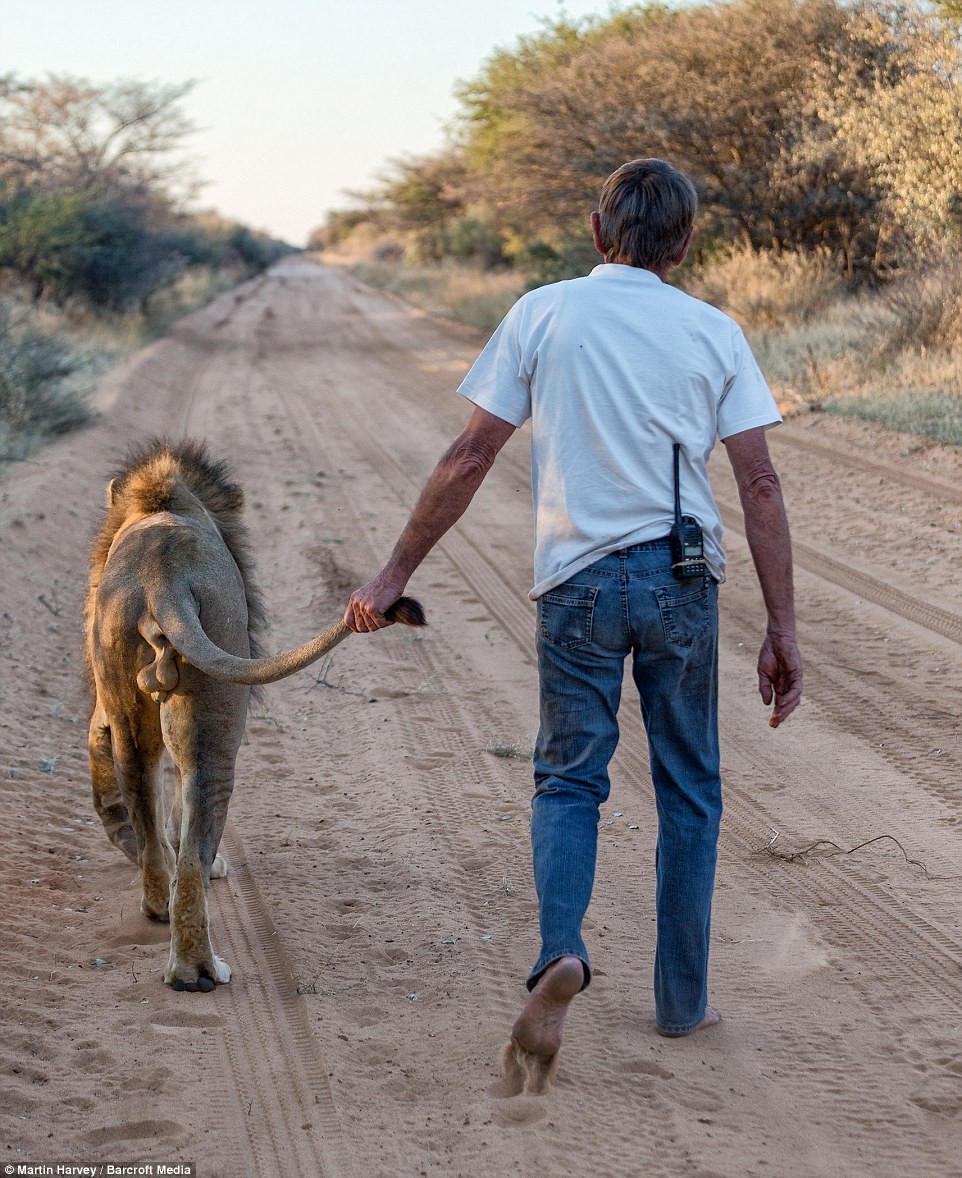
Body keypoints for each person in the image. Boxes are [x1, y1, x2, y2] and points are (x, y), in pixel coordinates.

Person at [344, 158, 802, 1091]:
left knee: (567, 782)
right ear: (685, 243)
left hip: (577, 583)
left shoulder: (542, 313)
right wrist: (782, 629)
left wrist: (395, 574)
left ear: (598, 232)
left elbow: (471, 455)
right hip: (681, 582)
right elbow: (758, 482)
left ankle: (562, 950)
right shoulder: (715, 331)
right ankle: (682, 1003)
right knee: (690, 790)